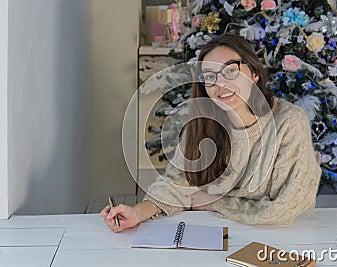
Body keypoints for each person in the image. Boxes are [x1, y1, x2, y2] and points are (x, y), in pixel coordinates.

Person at [101, 33, 321, 232]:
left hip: (285, 237)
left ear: (254, 73)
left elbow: (283, 208)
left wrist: (213, 203)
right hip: (219, 231)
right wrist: (137, 213)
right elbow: (176, 184)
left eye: (230, 71)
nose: (220, 84)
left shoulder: (289, 122)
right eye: (210, 76)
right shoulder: (203, 124)